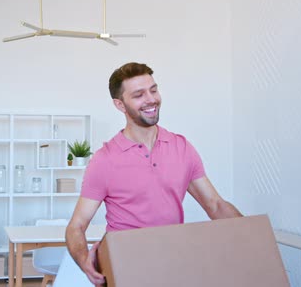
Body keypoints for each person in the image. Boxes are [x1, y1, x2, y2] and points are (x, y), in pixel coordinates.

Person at [65, 62, 243, 285]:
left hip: (172, 261)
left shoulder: (181, 147)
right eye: (139, 95)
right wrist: (85, 262)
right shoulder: (105, 160)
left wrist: (251, 239)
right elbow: (77, 225)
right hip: (125, 264)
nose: (151, 99)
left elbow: (215, 205)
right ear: (120, 104)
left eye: (153, 90)